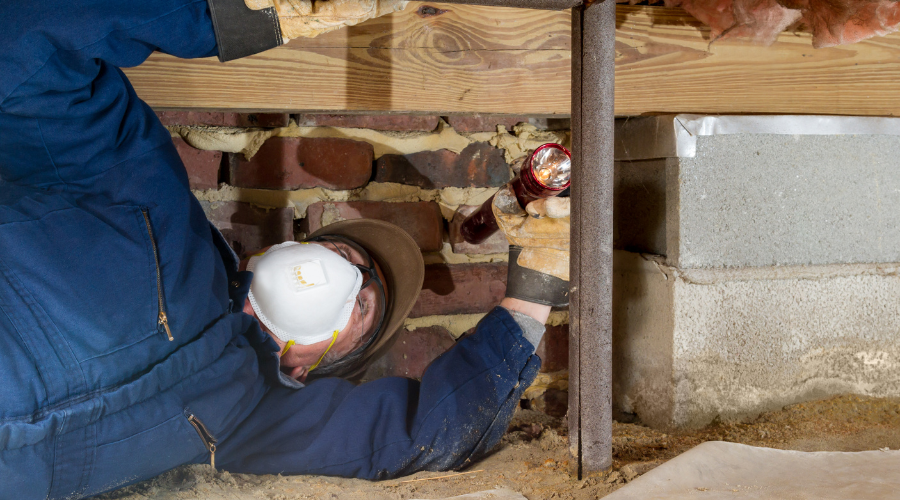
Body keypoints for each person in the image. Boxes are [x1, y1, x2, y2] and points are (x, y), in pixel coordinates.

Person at [0, 1, 571, 499]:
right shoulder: (150, 198)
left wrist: (535, 291)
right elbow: (29, 45)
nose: (349, 271)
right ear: (265, 258)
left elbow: (422, 434)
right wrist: (246, 12)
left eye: (363, 303)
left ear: (312, 365)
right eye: (344, 255)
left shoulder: (256, 419)